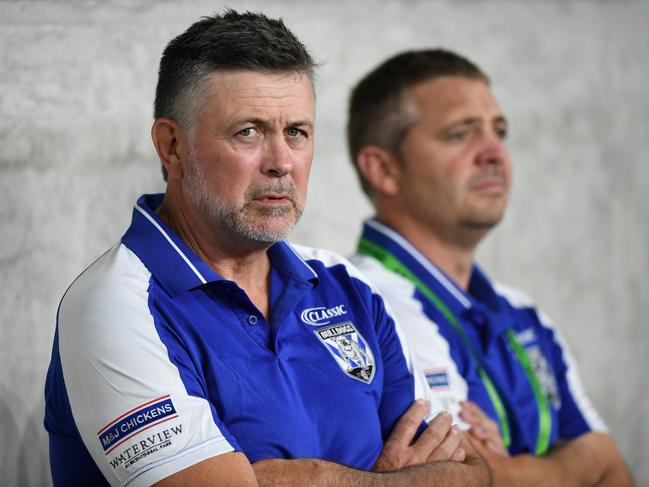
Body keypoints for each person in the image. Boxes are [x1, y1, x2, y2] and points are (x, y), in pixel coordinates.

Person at [43, 13, 490, 487]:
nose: (281, 163)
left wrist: (316, 479)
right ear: (171, 146)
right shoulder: (115, 304)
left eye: (296, 131)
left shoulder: (346, 285)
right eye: (248, 133)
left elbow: (474, 473)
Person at [348, 49, 633, 486]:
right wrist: (576, 463)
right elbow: (466, 478)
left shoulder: (523, 311)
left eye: (499, 131)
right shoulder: (361, 306)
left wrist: (511, 471)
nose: (493, 152)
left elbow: (614, 468)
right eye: (461, 134)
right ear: (384, 170)